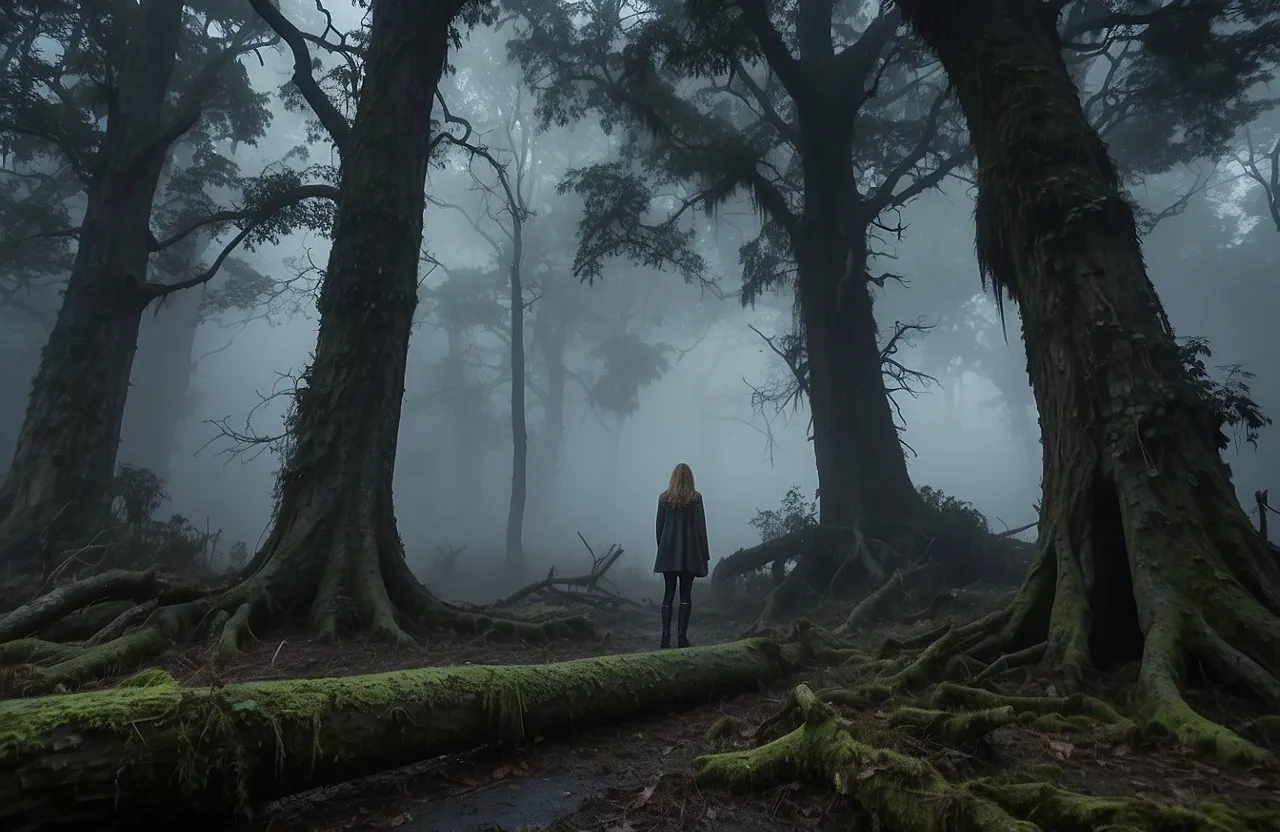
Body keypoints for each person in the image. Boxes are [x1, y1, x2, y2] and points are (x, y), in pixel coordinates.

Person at [653, 462, 710, 648]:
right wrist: (704, 555)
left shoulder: (663, 498)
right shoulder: (695, 498)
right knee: (686, 594)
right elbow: (701, 528)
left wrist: (662, 549)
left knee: (668, 593)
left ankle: (665, 637)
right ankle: (682, 638)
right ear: (690, 478)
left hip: (668, 551)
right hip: (689, 552)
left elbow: (659, 527)